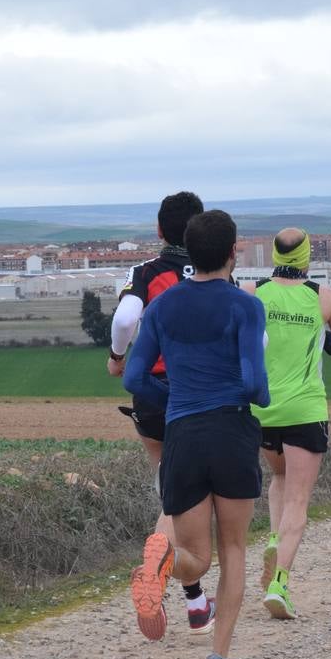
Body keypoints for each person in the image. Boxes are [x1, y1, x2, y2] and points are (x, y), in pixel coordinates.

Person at [124, 209, 269, 659]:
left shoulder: (162, 308)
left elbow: (132, 377)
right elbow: (253, 381)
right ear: (233, 252)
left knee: (195, 556)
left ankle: (163, 560)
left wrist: (177, 402)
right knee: (232, 551)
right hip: (230, 430)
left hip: (182, 434)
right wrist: (257, 400)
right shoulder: (244, 306)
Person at [106, 191, 216, 636]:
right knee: (192, 500)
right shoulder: (215, 273)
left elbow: (125, 317)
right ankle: (169, 574)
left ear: (158, 230)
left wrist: (116, 357)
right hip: (201, 394)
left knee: (170, 485)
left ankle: (195, 600)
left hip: (152, 395)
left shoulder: (146, 272)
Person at [247, 228, 331, 620]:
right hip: (305, 411)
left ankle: (274, 537)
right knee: (298, 499)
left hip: (262, 410)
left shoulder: (253, 291)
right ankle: (279, 582)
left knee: (278, 477)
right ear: (307, 257)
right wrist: (322, 335)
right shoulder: (323, 298)